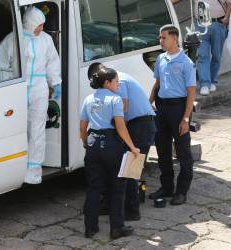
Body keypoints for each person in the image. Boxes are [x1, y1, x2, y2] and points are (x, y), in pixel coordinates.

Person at [0, 6, 62, 184]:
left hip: (39, 88)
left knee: (37, 129)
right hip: (18, 87)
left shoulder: (46, 40)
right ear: (29, 23)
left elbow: (52, 62)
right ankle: (15, 168)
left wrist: (55, 82)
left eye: (42, 25)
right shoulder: (13, 40)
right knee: (16, 129)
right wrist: (7, 87)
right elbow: (2, 63)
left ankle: (33, 172)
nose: (41, 28)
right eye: (38, 25)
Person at [88, 62, 156, 221]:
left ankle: (132, 211)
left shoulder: (120, 80)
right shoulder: (116, 80)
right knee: (120, 168)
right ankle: (114, 205)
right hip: (138, 124)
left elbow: (123, 109)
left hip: (140, 125)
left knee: (130, 170)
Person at [80, 67, 140, 239]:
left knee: (93, 188)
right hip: (112, 146)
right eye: (116, 81)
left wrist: (86, 143)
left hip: (93, 145)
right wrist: (132, 147)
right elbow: (120, 127)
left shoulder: (88, 99)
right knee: (117, 188)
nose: (118, 84)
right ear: (107, 83)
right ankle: (117, 228)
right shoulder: (115, 100)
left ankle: (90, 228)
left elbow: (82, 127)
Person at [149, 24, 196, 205]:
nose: (160, 41)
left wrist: (186, 117)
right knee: (162, 149)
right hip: (162, 108)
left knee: (183, 151)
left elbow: (191, 92)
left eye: (163, 37)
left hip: (179, 108)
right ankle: (166, 187)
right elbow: (157, 84)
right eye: (160, 37)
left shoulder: (186, 63)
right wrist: (149, 103)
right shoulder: (160, 59)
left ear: (174, 38)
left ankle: (182, 191)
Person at [194, 0, 231, 96]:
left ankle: (212, 81)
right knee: (203, 55)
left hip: (218, 24)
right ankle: (204, 84)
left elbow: (229, 3)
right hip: (200, 25)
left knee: (216, 55)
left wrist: (227, 17)